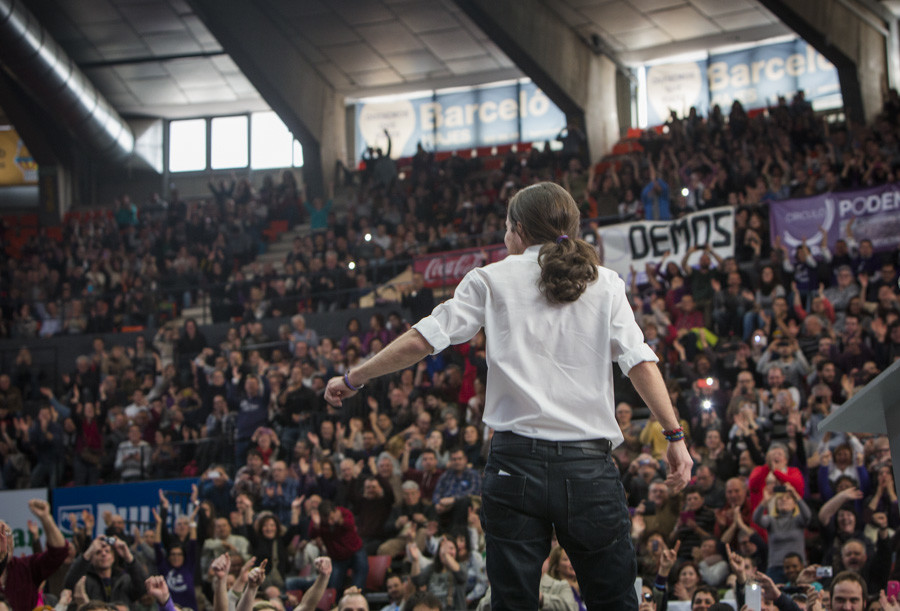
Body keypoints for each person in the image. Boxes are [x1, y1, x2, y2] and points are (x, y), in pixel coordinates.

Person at [325, 182, 692, 610]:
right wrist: (674, 437)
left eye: (505, 228)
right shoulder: (605, 282)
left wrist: (355, 378)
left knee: (512, 602)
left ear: (518, 229)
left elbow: (423, 339)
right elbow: (640, 363)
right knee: (614, 599)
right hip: (588, 469)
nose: (504, 237)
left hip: (515, 467)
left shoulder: (490, 278)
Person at [0, 499, 70, 611]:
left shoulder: (26, 566)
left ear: (13, 542)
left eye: (6, 533)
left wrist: (46, 518)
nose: (3, 539)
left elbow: (59, 551)